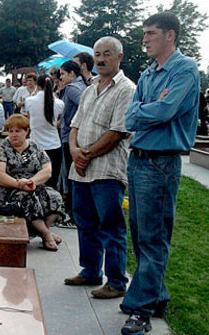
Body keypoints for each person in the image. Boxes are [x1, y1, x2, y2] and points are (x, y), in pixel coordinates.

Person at [120, 13, 200, 335]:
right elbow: (130, 117)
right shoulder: (149, 73)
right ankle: (157, 294)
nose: (145, 39)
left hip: (161, 163)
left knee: (153, 238)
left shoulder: (185, 69)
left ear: (170, 35)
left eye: (151, 34)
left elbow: (166, 111)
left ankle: (141, 311)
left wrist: (147, 109)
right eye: (144, 34)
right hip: (138, 161)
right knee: (140, 235)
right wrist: (148, 109)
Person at [64, 37, 135, 303]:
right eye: (97, 54)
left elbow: (117, 132)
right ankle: (90, 270)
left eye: (107, 54)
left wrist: (86, 155)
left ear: (119, 57)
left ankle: (116, 281)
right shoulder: (90, 87)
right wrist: (74, 151)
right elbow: (74, 125)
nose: (101, 59)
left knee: (111, 225)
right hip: (81, 169)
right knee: (85, 221)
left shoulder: (127, 89)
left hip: (106, 170)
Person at [0, 114, 65, 251]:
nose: (13, 135)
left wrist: (31, 182)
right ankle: (47, 234)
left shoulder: (35, 147)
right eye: (10, 131)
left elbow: (47, 170)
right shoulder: (1, 149)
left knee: (55, 197)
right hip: (6, 190)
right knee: (26, 197)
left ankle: (42, 231)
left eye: (18, 131)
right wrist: (18, 183)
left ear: (27, 131)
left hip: (32, 185)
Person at [58, 60, 88, 216]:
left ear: (72, 73)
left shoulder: (72, 88)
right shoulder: (82, 85)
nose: (61, 77)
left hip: (70, 135)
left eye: (63, 74)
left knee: (70, 175)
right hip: (77, 134)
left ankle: (71, 211)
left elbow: (86, 104)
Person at [26, 75, 64, 189]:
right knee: (52, 181)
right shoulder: (59, 103)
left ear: (37, 85)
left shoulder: (30, 101)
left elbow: (29, 119)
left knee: (35, 181)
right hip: (54, 145)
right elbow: (58, 121)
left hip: (35, 144)